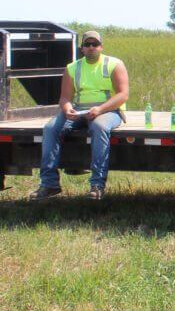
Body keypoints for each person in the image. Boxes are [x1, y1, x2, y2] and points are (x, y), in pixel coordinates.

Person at [30, 30, 129, 201]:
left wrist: (99, 109)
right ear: (81, 48)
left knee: (99, 127)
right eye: (87, 44)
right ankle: (49, 184)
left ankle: (97, 184)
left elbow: (123, 95)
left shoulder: (115, 64)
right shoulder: (72, 68)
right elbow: (65, 98)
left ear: (101, 47)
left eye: (95, 44)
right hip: (79, 110)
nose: (91, 47)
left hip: (108, 111)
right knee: (51, 128)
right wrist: (68, 109)